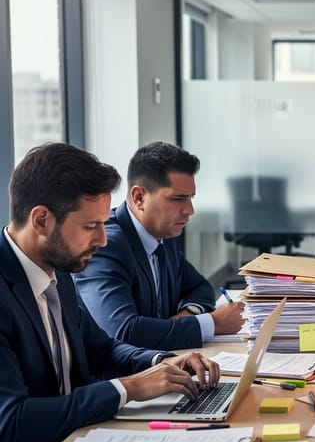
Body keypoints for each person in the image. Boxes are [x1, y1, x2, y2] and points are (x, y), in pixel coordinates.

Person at [0, 143, 221, 442]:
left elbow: (103, 350)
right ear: (41, 220)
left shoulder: (60, 272)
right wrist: (129, 388)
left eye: (104, 224)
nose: (103, 240)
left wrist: (163, 363)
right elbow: (12, 426)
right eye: (91, 226)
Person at [73, 142, 244, 350]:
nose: (189, 210)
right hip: (124, 377)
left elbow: (200, 288)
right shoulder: (106, 245)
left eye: (191, 198)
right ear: (139, 197)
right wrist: (213, 323)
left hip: (167, 363)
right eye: (178, 199)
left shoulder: (164, 234)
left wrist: (183, 318)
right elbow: (123, 331)